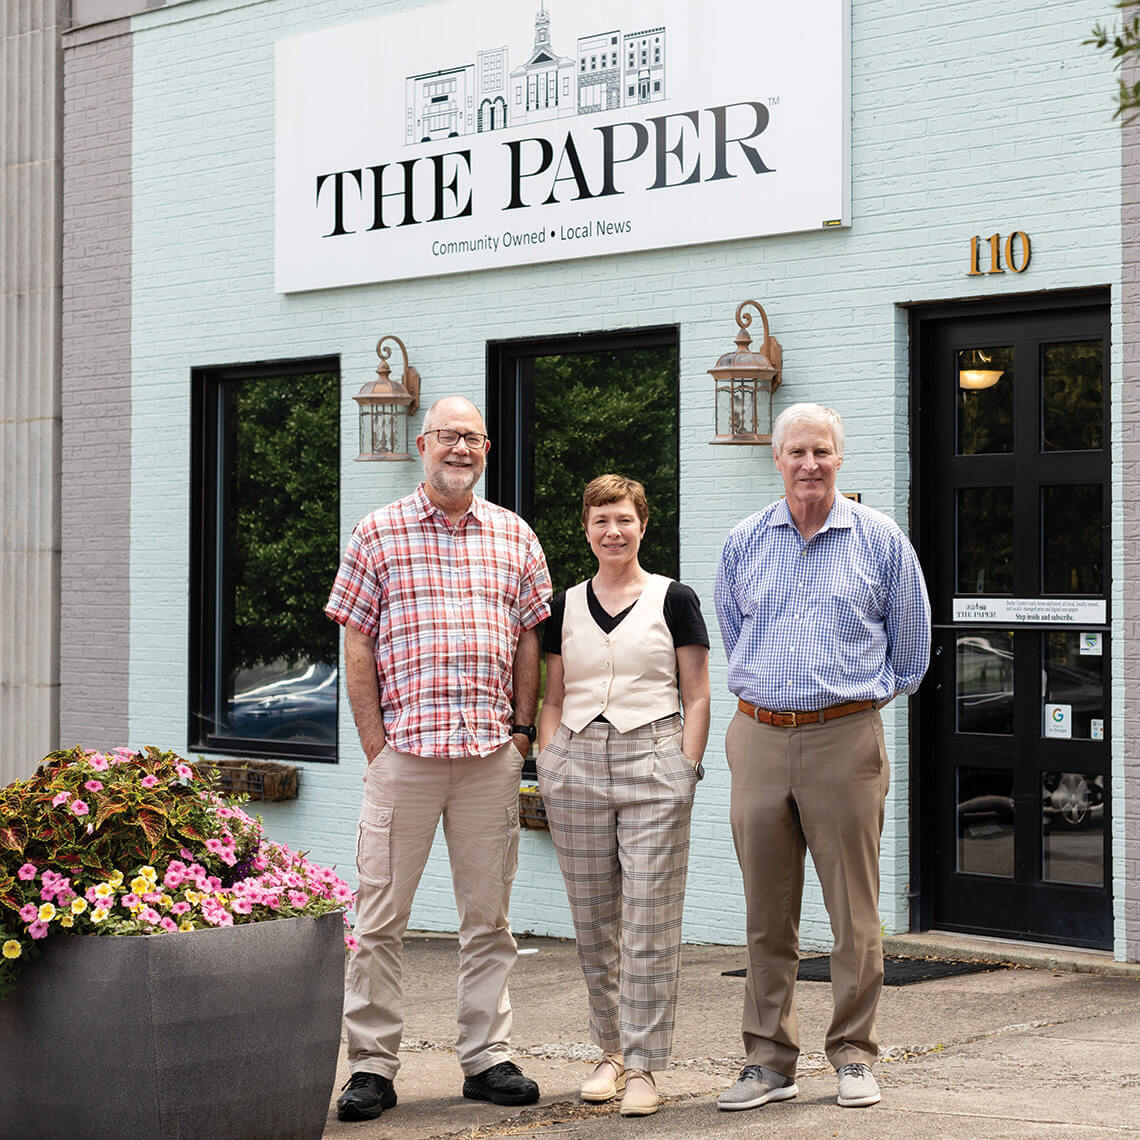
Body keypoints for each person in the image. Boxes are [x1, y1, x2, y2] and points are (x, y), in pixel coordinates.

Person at [324, 396, 552, 1123]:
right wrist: (375, 745)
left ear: (486, 449)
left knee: (489, 921)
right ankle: (370, 1066)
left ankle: (487, 1058)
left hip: (488, 754)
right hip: (406, 755)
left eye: (472, 438)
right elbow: (356, 640)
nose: (460, 448)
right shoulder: (377, 531)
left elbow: (530, 638)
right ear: (422, 445)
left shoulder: (515, 535)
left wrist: (521, 733)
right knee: (379, 919)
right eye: (448, 436)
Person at [713, 403, 930, 1113]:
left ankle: (854, 1055)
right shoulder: (744, 541)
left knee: (853, 913)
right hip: (759, 736)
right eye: (797, 452)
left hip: (845, 737)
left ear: (840, 458)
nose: (810, 464)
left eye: (822, 451)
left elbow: (912, 653)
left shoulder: (881, 540)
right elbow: (736, 634)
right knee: (765, 914)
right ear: (777, 459)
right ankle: (768, 1062)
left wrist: (846, 708)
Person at [537, 474, 711, 1118]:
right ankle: (609, 1052)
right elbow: (553, 696)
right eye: (601, 520)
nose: (613, 531)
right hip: (576, 762)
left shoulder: (675, 598)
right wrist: (549, 760)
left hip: (655, 759)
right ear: (585, 529)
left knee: (648, 918)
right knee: (593, 920)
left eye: (624, 519)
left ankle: (643, 1067)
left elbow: (697, 693)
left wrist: (685, 767)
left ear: (643, 525)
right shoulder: (563, 605)